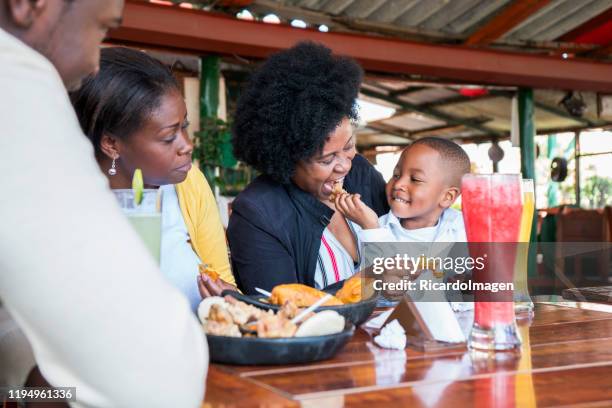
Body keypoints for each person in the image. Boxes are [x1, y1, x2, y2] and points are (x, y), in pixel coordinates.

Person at [0, 1, 207, 406]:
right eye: (100, 29)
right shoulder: (13, 84)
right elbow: (157, 381)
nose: (94, 63)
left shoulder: (169, 193)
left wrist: (34, 388)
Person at [209, 42, 389, 295]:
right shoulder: (259, 214)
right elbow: (282, 310)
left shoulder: (360, 173)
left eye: (349, 147)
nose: (344, 166)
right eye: (327, 160)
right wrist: (378, 274)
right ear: (286, 158)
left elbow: (418, 252)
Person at [70, 47, 233, 312]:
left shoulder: (189, 185)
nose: (187, 145)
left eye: (184, 127)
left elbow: (226, 285)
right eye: (169, 137)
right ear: (111, 143)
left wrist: (231, 300)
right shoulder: (72, 213)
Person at [335, 137, 470, 243]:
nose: (398, 183)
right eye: (396, 175)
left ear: (447, 197)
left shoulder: (463, 229)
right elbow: (379, 274)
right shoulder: (374, 229)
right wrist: (371, 230)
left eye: (415, 179)